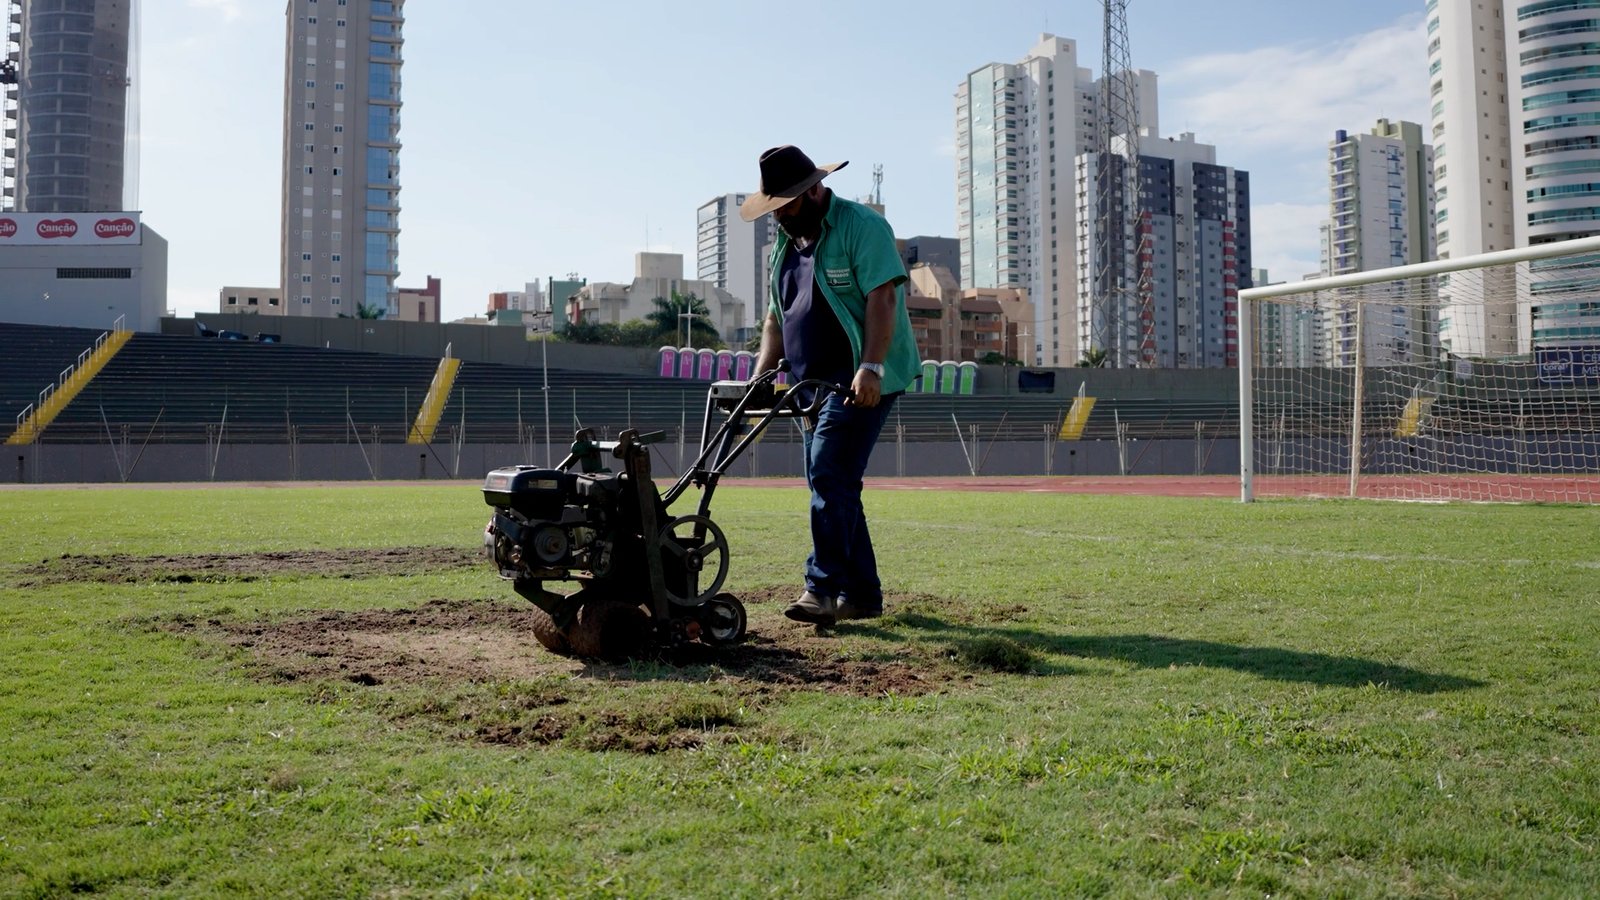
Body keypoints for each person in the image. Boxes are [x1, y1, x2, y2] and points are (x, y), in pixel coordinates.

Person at [739, 145, 921, 627]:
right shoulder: (785, 244)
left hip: (862, 379)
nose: (779, 217)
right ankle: (862, 595)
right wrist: (760, 377)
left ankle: (821, 590)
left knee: (827, 471)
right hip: (809, 386)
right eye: (773, 209)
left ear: (814, 190)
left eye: (787, 205)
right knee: (834, 483)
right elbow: (776, 322)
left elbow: (883, 296)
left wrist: (872, 368)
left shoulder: (861, 227)